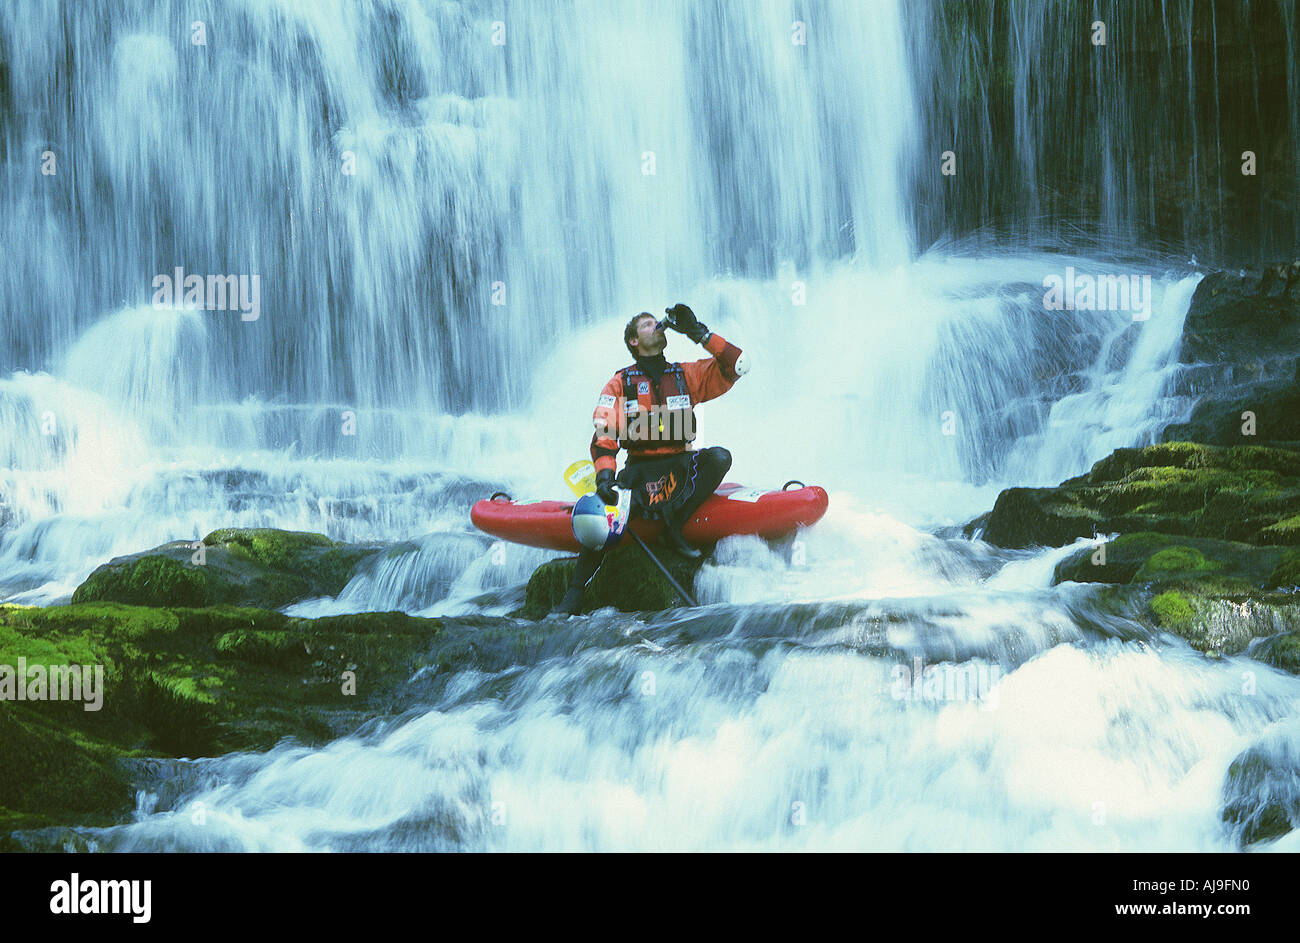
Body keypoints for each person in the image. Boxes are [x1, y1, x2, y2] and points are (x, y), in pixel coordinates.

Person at [551, 303, 748, 615]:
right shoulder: (621, 382)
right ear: (634, 341)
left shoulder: (687, 374)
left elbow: (737, 365)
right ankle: (573, 595)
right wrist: (605, 476)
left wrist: (699, 333)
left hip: (680, 467)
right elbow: (604, 431)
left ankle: (674, 528)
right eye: (646, 324)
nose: (656, 325)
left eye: (657, 322)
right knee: (604, 514)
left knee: (720, 457)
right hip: (638, 471)